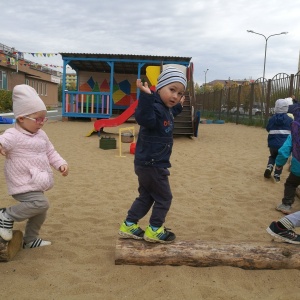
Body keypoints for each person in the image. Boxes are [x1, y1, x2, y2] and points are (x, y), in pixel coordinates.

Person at [118, 67, 187, 244]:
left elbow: (170, 114)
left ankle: (129, 224)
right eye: (172, 90)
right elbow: (144, 118)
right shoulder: (153, 106)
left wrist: (179, 106)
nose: (175, 96)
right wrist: (147, 96)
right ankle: (155, 229)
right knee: (164, 197)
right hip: (153, 163)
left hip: (148, 162)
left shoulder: (167, 108)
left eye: (179, 93)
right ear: (160, 87)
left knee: (147, 196)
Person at [0, 85, 69, 248]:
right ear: (21, 118)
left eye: (43, 119)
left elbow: (50, 151)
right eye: (37, 119)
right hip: (21, 182)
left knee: (40, 210)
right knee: (41, 204)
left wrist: (60, 164)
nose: (42, 123)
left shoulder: (41, 135)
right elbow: (3, 140)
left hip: (37, 180)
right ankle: (6, 215)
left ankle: (30, 240)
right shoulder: (13, 134)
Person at [274, 107, 300, 214]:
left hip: (298, 169)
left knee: (291, 184)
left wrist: (279, 164)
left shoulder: (294, 134)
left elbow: (284, 151)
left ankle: (286, 205)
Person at [264, 98, 293, 182]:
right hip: (284, 144)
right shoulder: (289, 119)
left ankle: (269, 166)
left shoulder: (272, 119)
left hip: (272, 143)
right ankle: (277, 175)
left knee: (273, 156)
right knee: (281, 159)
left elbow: (268, 128)